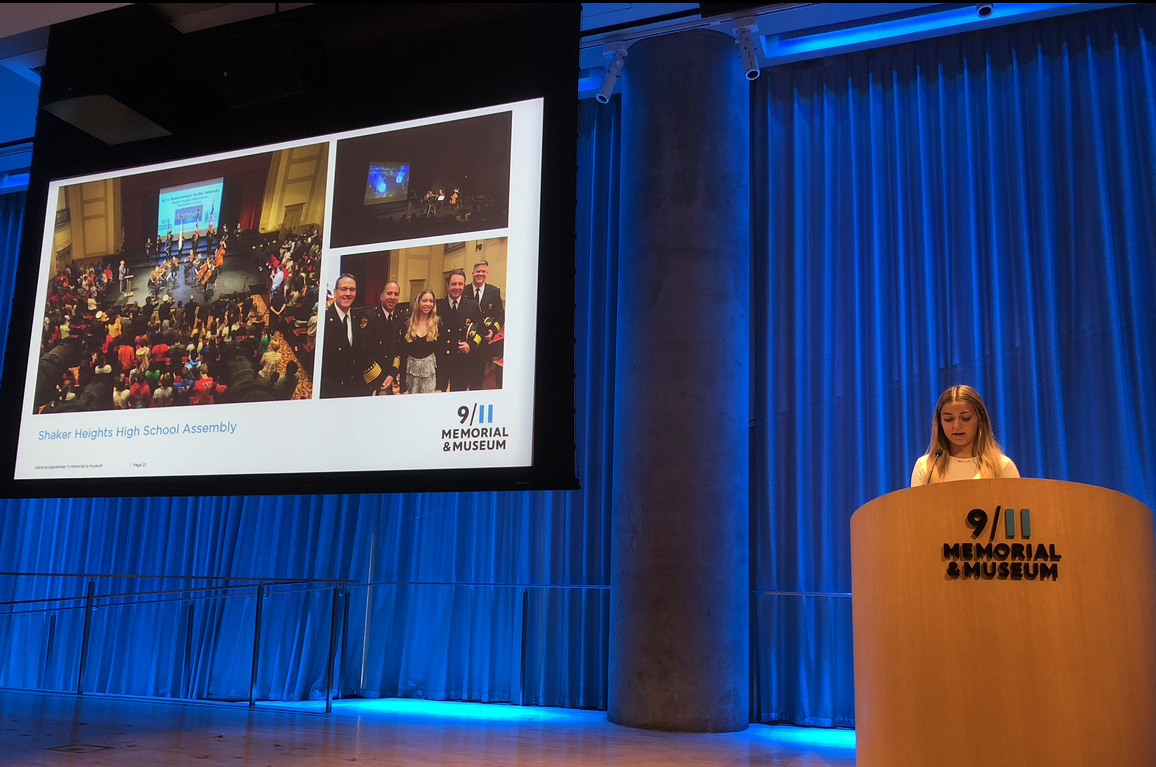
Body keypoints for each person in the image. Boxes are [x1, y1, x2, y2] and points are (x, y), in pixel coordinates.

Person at [910, 385, 1020, 485]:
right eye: (948, 419)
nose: (956, 426)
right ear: (939, 423)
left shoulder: (1002, 466)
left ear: (980, 419)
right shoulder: (926, 467)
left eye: (966, 418)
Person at [320, 273, 374, 398]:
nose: (348, 293)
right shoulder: (324, 320)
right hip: (333, 391)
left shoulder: (358, 317)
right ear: (335, 292)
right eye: (343, 289)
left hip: (354, 389)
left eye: (352, 290)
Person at [437, 269, 485, 392]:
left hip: (462, 363)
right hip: (441, 362)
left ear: (464, 285)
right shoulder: (438, 306)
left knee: (458, 398)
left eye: (460, 284)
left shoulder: (472, 306)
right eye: (453, 284)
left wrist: (471, 345)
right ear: (447, 286)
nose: (456, 287)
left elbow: (481, 331)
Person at [399, 289, 450, 394]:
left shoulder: (438, 324)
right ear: (418, 302)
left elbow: (441, 358)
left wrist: (439, 387)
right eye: (425, 300)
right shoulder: (407, 324)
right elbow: (403, 357)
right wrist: (403, 388)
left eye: (431, 301)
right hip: (411, 378)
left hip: (430, 379)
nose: (428, 304)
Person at [360, 281, 406, 395]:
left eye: (396, 294)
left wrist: (392, 374)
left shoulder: (400, 317)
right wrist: (381, 380)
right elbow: (364, 352)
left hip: (390, 377)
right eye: (389, 293)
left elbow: (399, 349)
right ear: (381, 296)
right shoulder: (369, 318)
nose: (393, 297)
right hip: (372, 381)